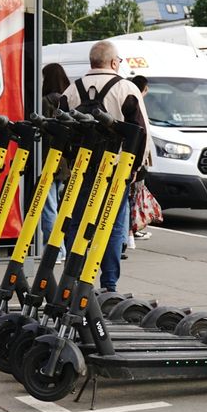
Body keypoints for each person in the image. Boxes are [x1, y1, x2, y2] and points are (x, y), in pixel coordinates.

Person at [61, 40, 151, 293]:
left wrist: (71, 162)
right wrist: (136, 167)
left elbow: (63, 131)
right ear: (114, 62)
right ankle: (109, 284)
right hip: (116, 168)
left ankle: (73, 277)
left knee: (77, 222)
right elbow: (141, 131)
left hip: (82, 167)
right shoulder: (126, 88)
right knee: (111, 225)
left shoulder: (71, 90)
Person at [41, 63, 71, 263]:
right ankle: (60, 248)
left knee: (49, 207)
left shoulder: (43, 101)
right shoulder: (68, 100)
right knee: (59, 207)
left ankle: (56, 250)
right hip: (65, 164)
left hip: (49, 161)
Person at [128, 75, 152, 244]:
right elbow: (143, 134)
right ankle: (131, 231)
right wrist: (140, 163)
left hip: (129, 160)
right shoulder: (137, 104)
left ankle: (130, 232)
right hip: (134, 161)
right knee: (132, 198)